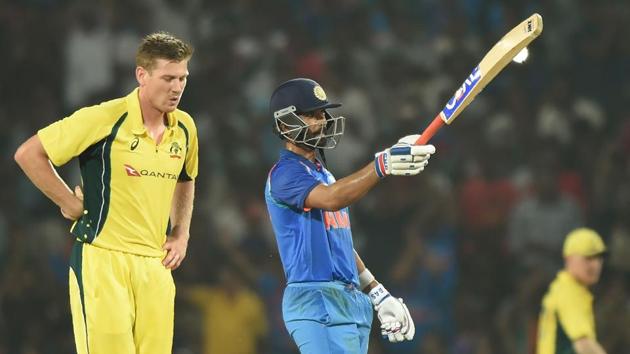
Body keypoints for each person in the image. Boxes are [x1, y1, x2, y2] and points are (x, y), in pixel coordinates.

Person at [13, 32, 198, 354]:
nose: (177, 87)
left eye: (182, 78)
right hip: (103, 260)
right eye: (168, 77)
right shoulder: (105, 118)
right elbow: (29, 154)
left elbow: (185, 178)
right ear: (142, 75)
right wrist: (69, 203)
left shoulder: (184, 127)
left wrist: (181, 232)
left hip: (155, 266)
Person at [264, 78, 436, 353]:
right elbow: (333, 199)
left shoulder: (325, 174)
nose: (321, 121)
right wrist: (384, 163)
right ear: (285, 124)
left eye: (322, 113)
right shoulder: (285, 173)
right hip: (314, 299)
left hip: (352, 302)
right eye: (311, 115)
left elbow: (340, 244)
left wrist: (378, 293)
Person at [536, 228, 607, 354]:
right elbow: (583, 345)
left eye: (599, 257)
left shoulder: (563, 287)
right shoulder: (569, 292)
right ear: (568, 259)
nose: (595, 265)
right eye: (588, 258)